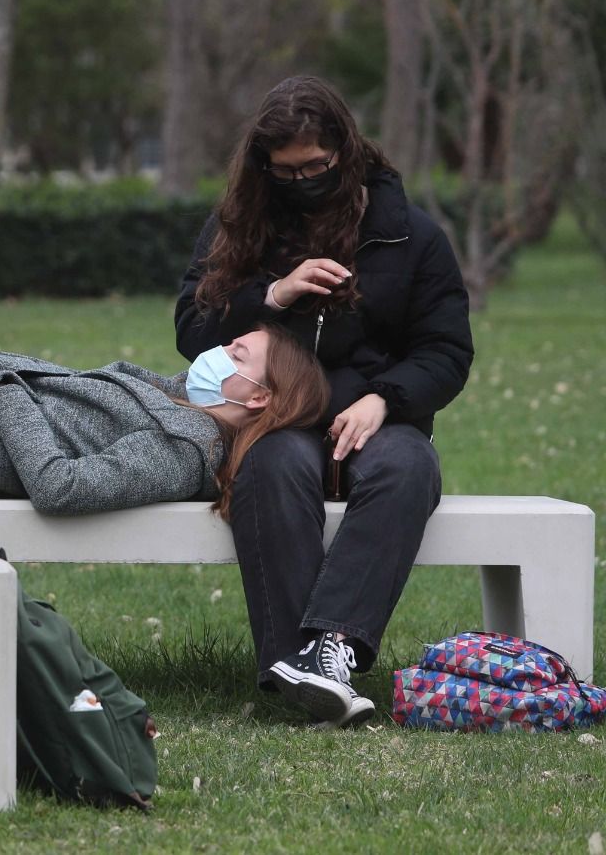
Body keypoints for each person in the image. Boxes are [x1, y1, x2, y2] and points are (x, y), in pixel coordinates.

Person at [176, 75, 474, 727]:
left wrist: (383, 401)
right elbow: (191, 329)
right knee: (270, 468)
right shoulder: (239, 227)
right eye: (287, 172)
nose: (303, 180)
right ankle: (298, 668)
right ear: (265, 167)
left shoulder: (408, 235)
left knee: (407, 468)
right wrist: (273, 294)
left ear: (346, 150)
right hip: (276, 417)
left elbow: (447, 353)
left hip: (378, 415)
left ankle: (331, 648)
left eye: (316, 166)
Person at [0, 323, 329, 513]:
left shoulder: (183, 450)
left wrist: (9, 392)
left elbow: (60, 488)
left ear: (259, 397)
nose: (218, 352)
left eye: (236, 355)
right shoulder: (177, 399)